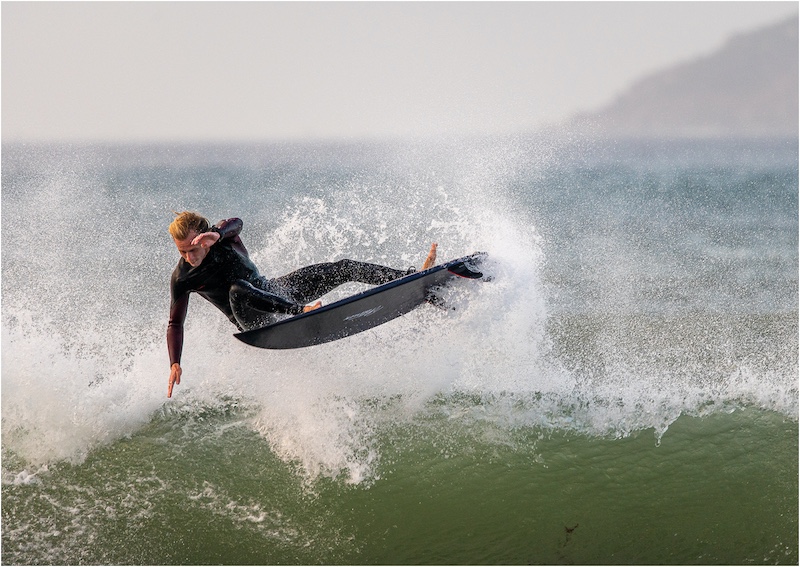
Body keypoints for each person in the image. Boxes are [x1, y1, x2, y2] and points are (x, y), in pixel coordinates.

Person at [167, 211, 437, 397]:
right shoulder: (183, 278)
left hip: (275, 293)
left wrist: (216, 233)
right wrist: (175, 362)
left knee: (343, 267)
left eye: (193, 248)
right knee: (237, 289)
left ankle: (410, 276)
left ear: (204, 238)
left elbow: (236, 222)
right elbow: (175, 323)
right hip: (253, 320)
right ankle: (299, 311)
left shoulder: (224, 239)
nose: (189, 257)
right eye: (182, 251)